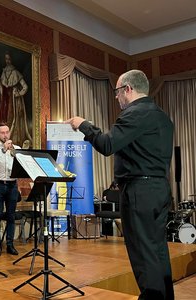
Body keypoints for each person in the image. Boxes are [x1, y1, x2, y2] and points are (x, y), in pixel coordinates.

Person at [66, 70, 174, 299]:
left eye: (117, 92)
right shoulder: (162, 116)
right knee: (157, 251)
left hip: (139, 192)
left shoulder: (135, 113)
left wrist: (84, 124)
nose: (116, 98)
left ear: (128, 89)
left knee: (143, 255)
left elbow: (107, 145)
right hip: (159, 189)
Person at [0, 52, 32, 147]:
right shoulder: (3, 73)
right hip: (5, 100)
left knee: (13, 119)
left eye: (9, 59)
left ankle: (15, 138)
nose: (7, 61)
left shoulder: (16, 73)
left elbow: (25, 87)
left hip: (14, 101)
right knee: (3, 117)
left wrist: (18, 94)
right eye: (6, 59)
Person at [0, 122, 21, 256]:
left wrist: (14, 152)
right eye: (2, 133)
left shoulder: (16, 148)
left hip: (12, 185)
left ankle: (10, 244)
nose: (5, 135)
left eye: (7, 132)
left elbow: (22, 165)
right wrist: (3, 149)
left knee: (11, 216)